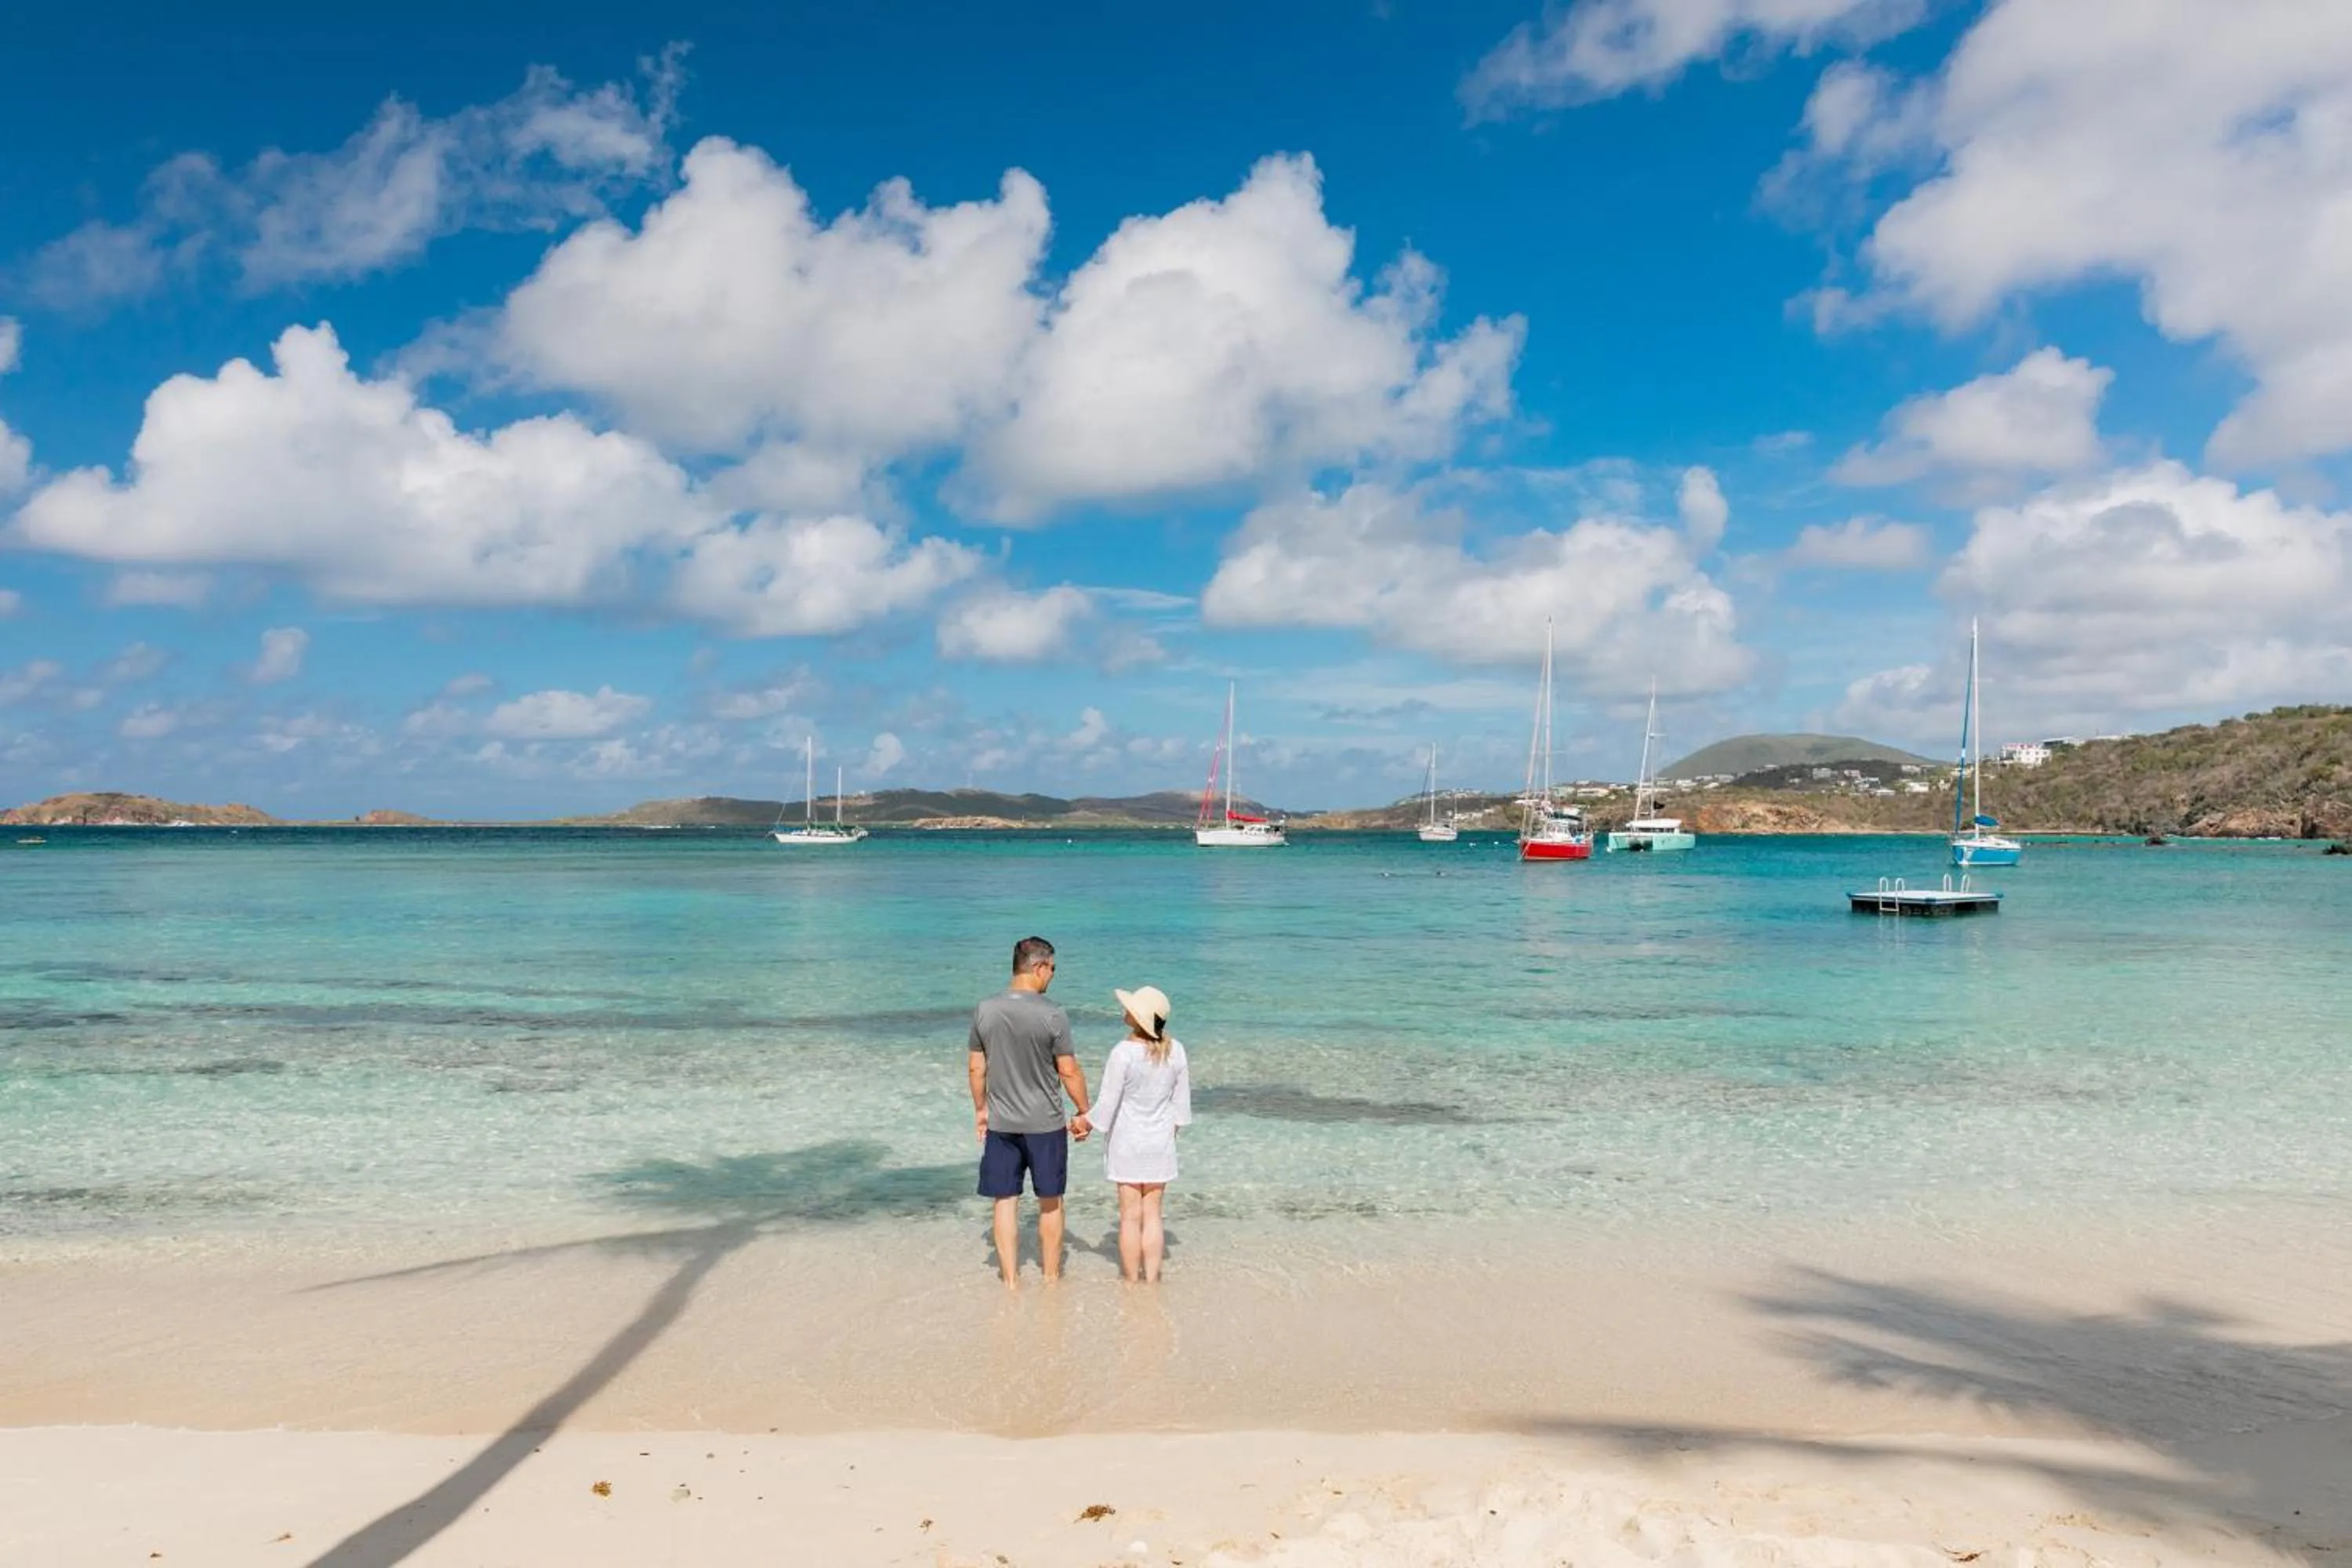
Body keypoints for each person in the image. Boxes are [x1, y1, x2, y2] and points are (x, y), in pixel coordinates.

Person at [968, 936, 1092, 1287]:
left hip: (1002, 1124)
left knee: (1004, 1201)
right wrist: (1084, 1111)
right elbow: (1068, 1071)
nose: (1052, 976)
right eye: (1052, 969)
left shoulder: (984, 1009)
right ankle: (1051, 1278)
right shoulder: (1053, 1014)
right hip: (1046, 1125)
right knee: (1050, 1201)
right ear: (1038, 967)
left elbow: (976, 1069)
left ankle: (1010, 1280)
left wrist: (981, 1110)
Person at [1087, 984, 1191, 1284]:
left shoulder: (1123, 1053)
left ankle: (1131, 1282)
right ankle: (1153, 1280)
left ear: (1137, 1017)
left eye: (1131, 1008)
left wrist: (1083, 1123)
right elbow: (1181, 1111)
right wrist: (1165, 1137)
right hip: (1160, 1143)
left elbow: (1107, 1106)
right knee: (1154, 1215)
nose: (1126, 1011)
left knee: (1130, 1217)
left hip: (1127, 1144)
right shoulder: (1177, 1051)